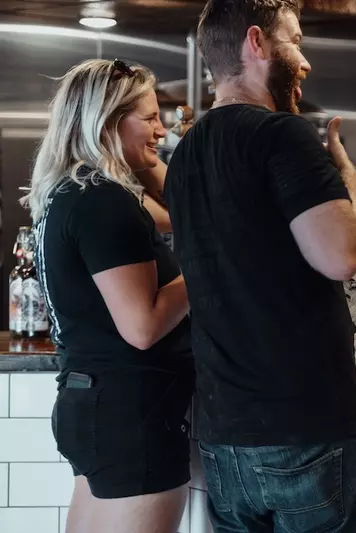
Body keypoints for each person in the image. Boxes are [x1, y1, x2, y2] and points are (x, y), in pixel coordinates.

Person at [163, 1, 356, 532]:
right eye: (297, 41)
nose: (305, 61)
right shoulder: (281, 136)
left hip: (224, 440)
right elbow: (340, 256)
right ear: (258, 43)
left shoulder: (185, 153)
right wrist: (348, 176)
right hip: (305, 431)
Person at [21, 59, 194, 533]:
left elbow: (173, 219)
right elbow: (142, 327)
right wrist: (207, 271)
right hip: (131, 416)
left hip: (92, 405)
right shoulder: (103, 199)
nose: (161, 130)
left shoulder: (69, 191)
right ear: (109, 121)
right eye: (150, 117)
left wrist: (152, 159)